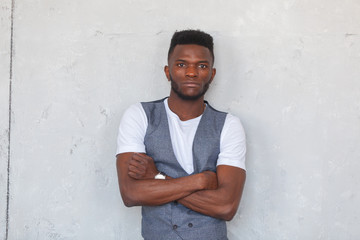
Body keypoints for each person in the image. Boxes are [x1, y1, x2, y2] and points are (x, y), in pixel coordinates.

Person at [116, 29, 246, 240]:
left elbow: (226, 206)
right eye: (181, 64)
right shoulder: (139, 115)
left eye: (202, 66)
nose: (191, 72)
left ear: (212, 74)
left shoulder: (229, 125)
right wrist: (201, 180)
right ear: (167, 72)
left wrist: (157, 177)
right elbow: (131, 193)